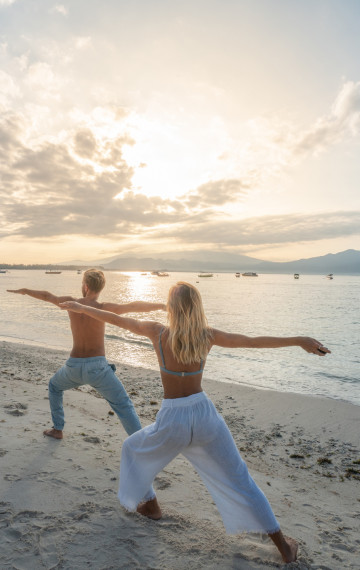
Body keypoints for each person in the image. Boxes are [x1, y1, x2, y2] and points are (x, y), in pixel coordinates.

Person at [60, 281, 330, 564]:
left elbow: (118, 320)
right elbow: (252, 341)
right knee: (242, 480)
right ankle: (284, 548)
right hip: (204, 416)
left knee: (132, 449)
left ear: (171, 308)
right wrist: (299, 340)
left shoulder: (158, 332)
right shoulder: (207, 336)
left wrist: (81, 307)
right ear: (197, 307)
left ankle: (151, 505)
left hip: (173, 419)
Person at [7, 269, 166, 440]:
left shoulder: (71, 303)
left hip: (73, 367)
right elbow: (133, 306)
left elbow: (47, 295)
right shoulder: (103, 308)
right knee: (123, 405)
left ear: (85, 285)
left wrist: (25, 291)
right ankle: (140, 443)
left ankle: (57, 429)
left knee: (54, 386)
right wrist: (162, 306)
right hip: (98, 369)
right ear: (101, 287)